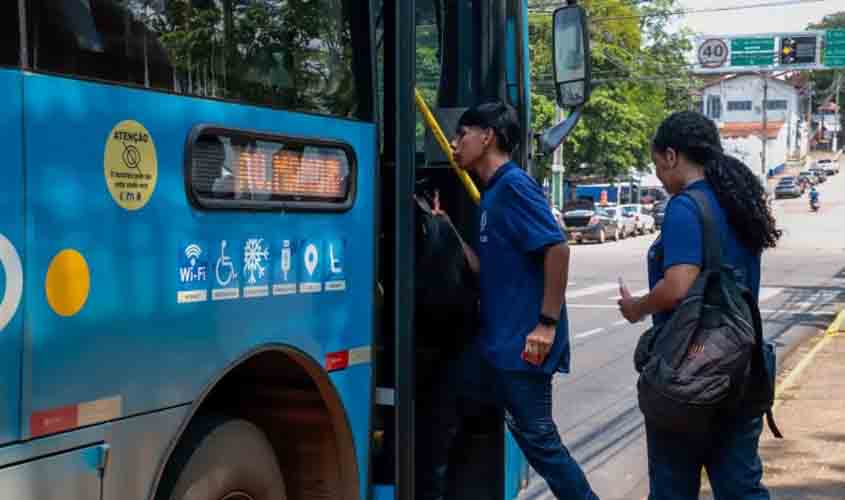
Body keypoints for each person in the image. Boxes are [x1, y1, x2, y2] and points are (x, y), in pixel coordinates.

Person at [416, 100, 598, 500]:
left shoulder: (513, 186)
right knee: (446, 404)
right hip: (494, 347)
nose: (454, 143)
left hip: (523, 346)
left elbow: (557, 248)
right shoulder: (492, 195)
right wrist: (446, 228)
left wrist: (546, 325)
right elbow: (486, 268)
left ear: (488, 137)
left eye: (462, 134)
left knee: (540, 444)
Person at [617, 111, 781, 500]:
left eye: (658, 166)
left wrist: (637, 307)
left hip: (687, 373)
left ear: (672, 156)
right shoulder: (740, 202)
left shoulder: (685, 207)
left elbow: (677, 287)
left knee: (673, 486)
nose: (659, 177)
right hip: (743, 367)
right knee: (740, 487)